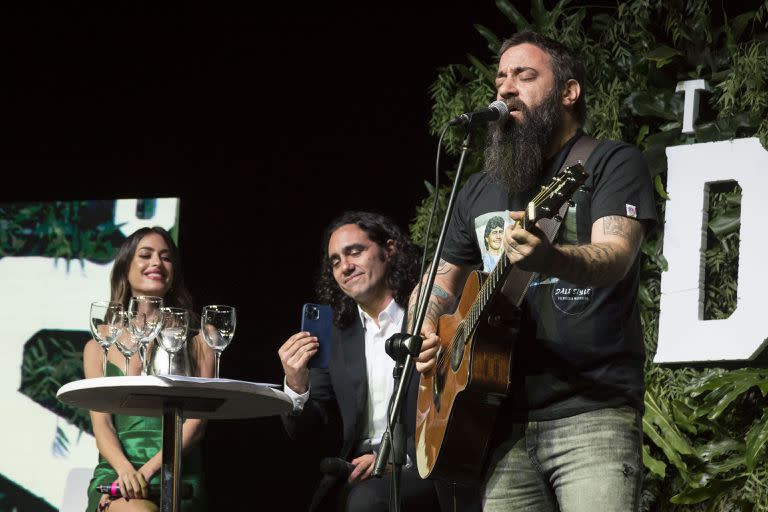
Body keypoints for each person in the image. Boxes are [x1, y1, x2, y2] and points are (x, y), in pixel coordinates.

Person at [413, 31, 657, 511]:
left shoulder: (609, 162)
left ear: (568, 92)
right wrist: (423, 325)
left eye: (525, 75)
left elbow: (616, 255)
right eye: (501, 76)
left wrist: (553, 259)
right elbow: (439, 284)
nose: (505, 87)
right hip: (496, 422)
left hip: (591, 412)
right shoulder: (479, 189)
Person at [278, 211, 437, 512]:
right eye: (335, 261)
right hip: (358, 472)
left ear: (389, 250)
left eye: (355, 252)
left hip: (423, 466)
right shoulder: (337, 336)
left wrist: (398, 459)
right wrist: (296, 385)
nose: (345, 267)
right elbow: (309, 433)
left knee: (365, 503)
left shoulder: (427, 314)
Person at [83, 226, 214, 512]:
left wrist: (148, 472)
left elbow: (197, 423)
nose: (156, 263)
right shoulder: (98, 344)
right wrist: (128, 472)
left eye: (166, 258)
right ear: (125, 269)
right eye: (145, 255)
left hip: (178, 473)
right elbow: (101, 424)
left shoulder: (200, 337)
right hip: (118, 473)